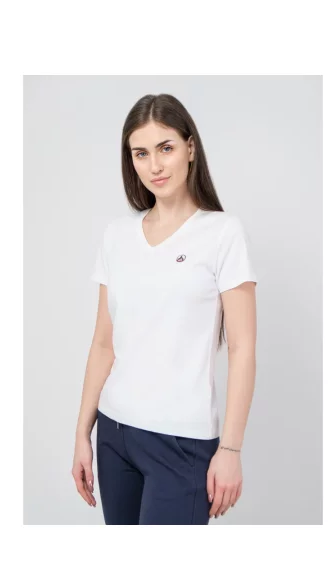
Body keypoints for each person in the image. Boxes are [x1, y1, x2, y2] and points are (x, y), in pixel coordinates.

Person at [72, 93, 258, 525]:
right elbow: (103, 344)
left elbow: (242, 349)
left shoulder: (223, 233)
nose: (154, 165)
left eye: (166, 148)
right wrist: (82, 432)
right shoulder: (117, 236)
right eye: (141, 153)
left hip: (182, 442)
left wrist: (230, 449)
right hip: (114, 432)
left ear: (190, 148)